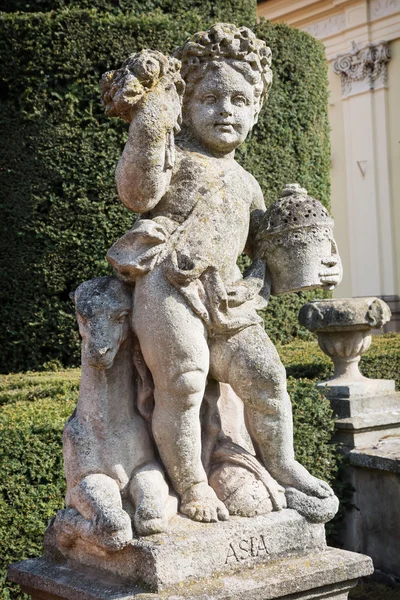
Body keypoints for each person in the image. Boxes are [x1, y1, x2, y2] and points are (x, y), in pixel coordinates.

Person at [107, 24, 340, 524]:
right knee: (184, 381)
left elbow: (270, 259)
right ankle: (192, 484)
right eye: (210, 97)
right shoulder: (175, 157)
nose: (225, 110)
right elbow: (137, 194)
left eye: (239, 99)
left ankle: (283, 464)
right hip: (168, 284)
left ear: (256, 108)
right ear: (188, 106)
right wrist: (150, 124)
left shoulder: (248, 183)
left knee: (267, 376)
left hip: (229, 297)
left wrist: (320, 265)